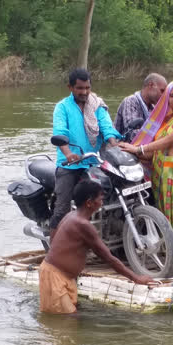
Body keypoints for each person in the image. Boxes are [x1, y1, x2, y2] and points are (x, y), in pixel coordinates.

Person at [118, 81, 173, 277]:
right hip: (163, 174)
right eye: (172, 96)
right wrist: (130, 150)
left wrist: (139, 148)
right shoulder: (162, 120)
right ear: (166, 98)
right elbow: (157, 148)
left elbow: (172, 140)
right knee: (168, 219)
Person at [39, 180, 154, 314]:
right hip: (55, 277)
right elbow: (108, 258)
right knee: (67, 323)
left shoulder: (72, 215)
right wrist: (136, 278)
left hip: (62, 276)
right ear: (89, 203)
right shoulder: (82, 224)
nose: (102, 202)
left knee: (65, 323)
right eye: (100, 198)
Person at [50, 68, 121, 230]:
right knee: (62, 210)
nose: (84, 92)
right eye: (80, 88)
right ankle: (53, 252)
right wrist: (68, 154)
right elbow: (60, 132)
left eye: (87, 88)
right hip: (70, 165)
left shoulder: (96, 105)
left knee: (109, 198)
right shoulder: (62, 107)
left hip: (94, 162)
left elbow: (106, 126)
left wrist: (113, 143)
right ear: (70, 88)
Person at [113, 73, 168, 139]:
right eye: (162, 91)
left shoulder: (153, 108)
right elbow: (132, 133)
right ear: (151, 85)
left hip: (142, 146)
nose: (163, 96)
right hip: (121, 146)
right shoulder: (130, 101)